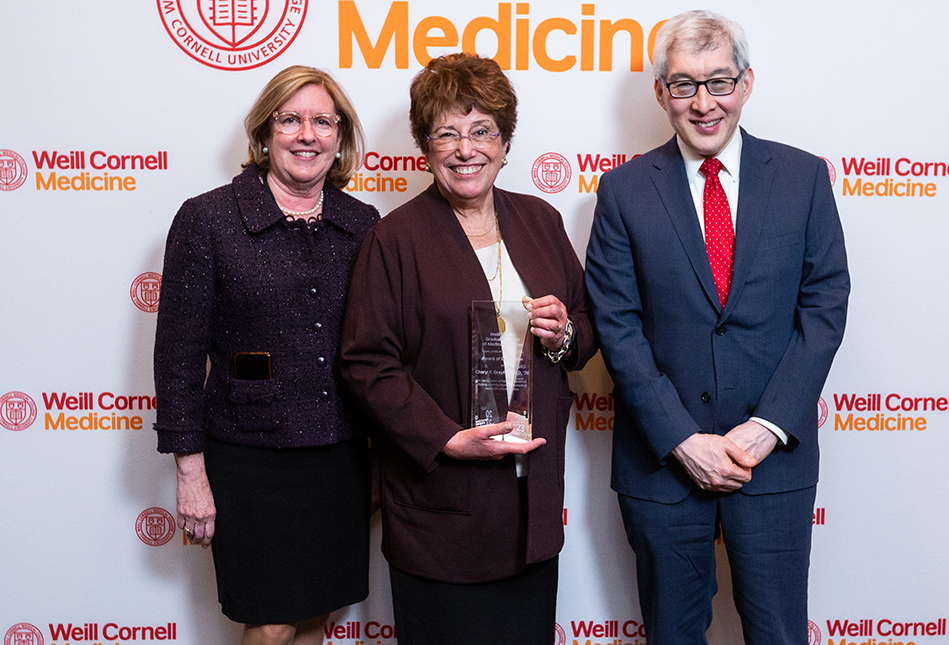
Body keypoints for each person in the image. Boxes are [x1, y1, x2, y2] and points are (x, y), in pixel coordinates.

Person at [585, 11, 850, 645]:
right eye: (684, 85)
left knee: (778, 634)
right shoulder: (622, 192)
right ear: (661, 93)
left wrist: (767, 428)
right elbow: (616, 325)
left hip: (773, 461)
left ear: (747, 83)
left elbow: (825, 303)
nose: (704, 104)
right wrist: (682, 440)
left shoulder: (804, 178)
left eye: (719, 82)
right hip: (662, 465)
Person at [340, 52, 595, 645]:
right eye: (446, 133)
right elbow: (366, 361)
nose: (465, 149)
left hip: (530, 505)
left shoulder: (540, 220)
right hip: (441, 509)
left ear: (505, 141)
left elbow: (585, 330)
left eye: (481, 131)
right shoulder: (394, 238)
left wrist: (565, 335)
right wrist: (443, 437)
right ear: (424, 148)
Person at [153, 65, 378, 645]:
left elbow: (377, 347)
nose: (307, 134)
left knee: (317, 616)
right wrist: (190, 472)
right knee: (272, 621)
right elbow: (178, 356)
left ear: (340, 135)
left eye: (322, 122)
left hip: (341, 454)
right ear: (265, 131)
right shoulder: (208, 220)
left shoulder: (361, 224)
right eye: (291, 119)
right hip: (251, 460)